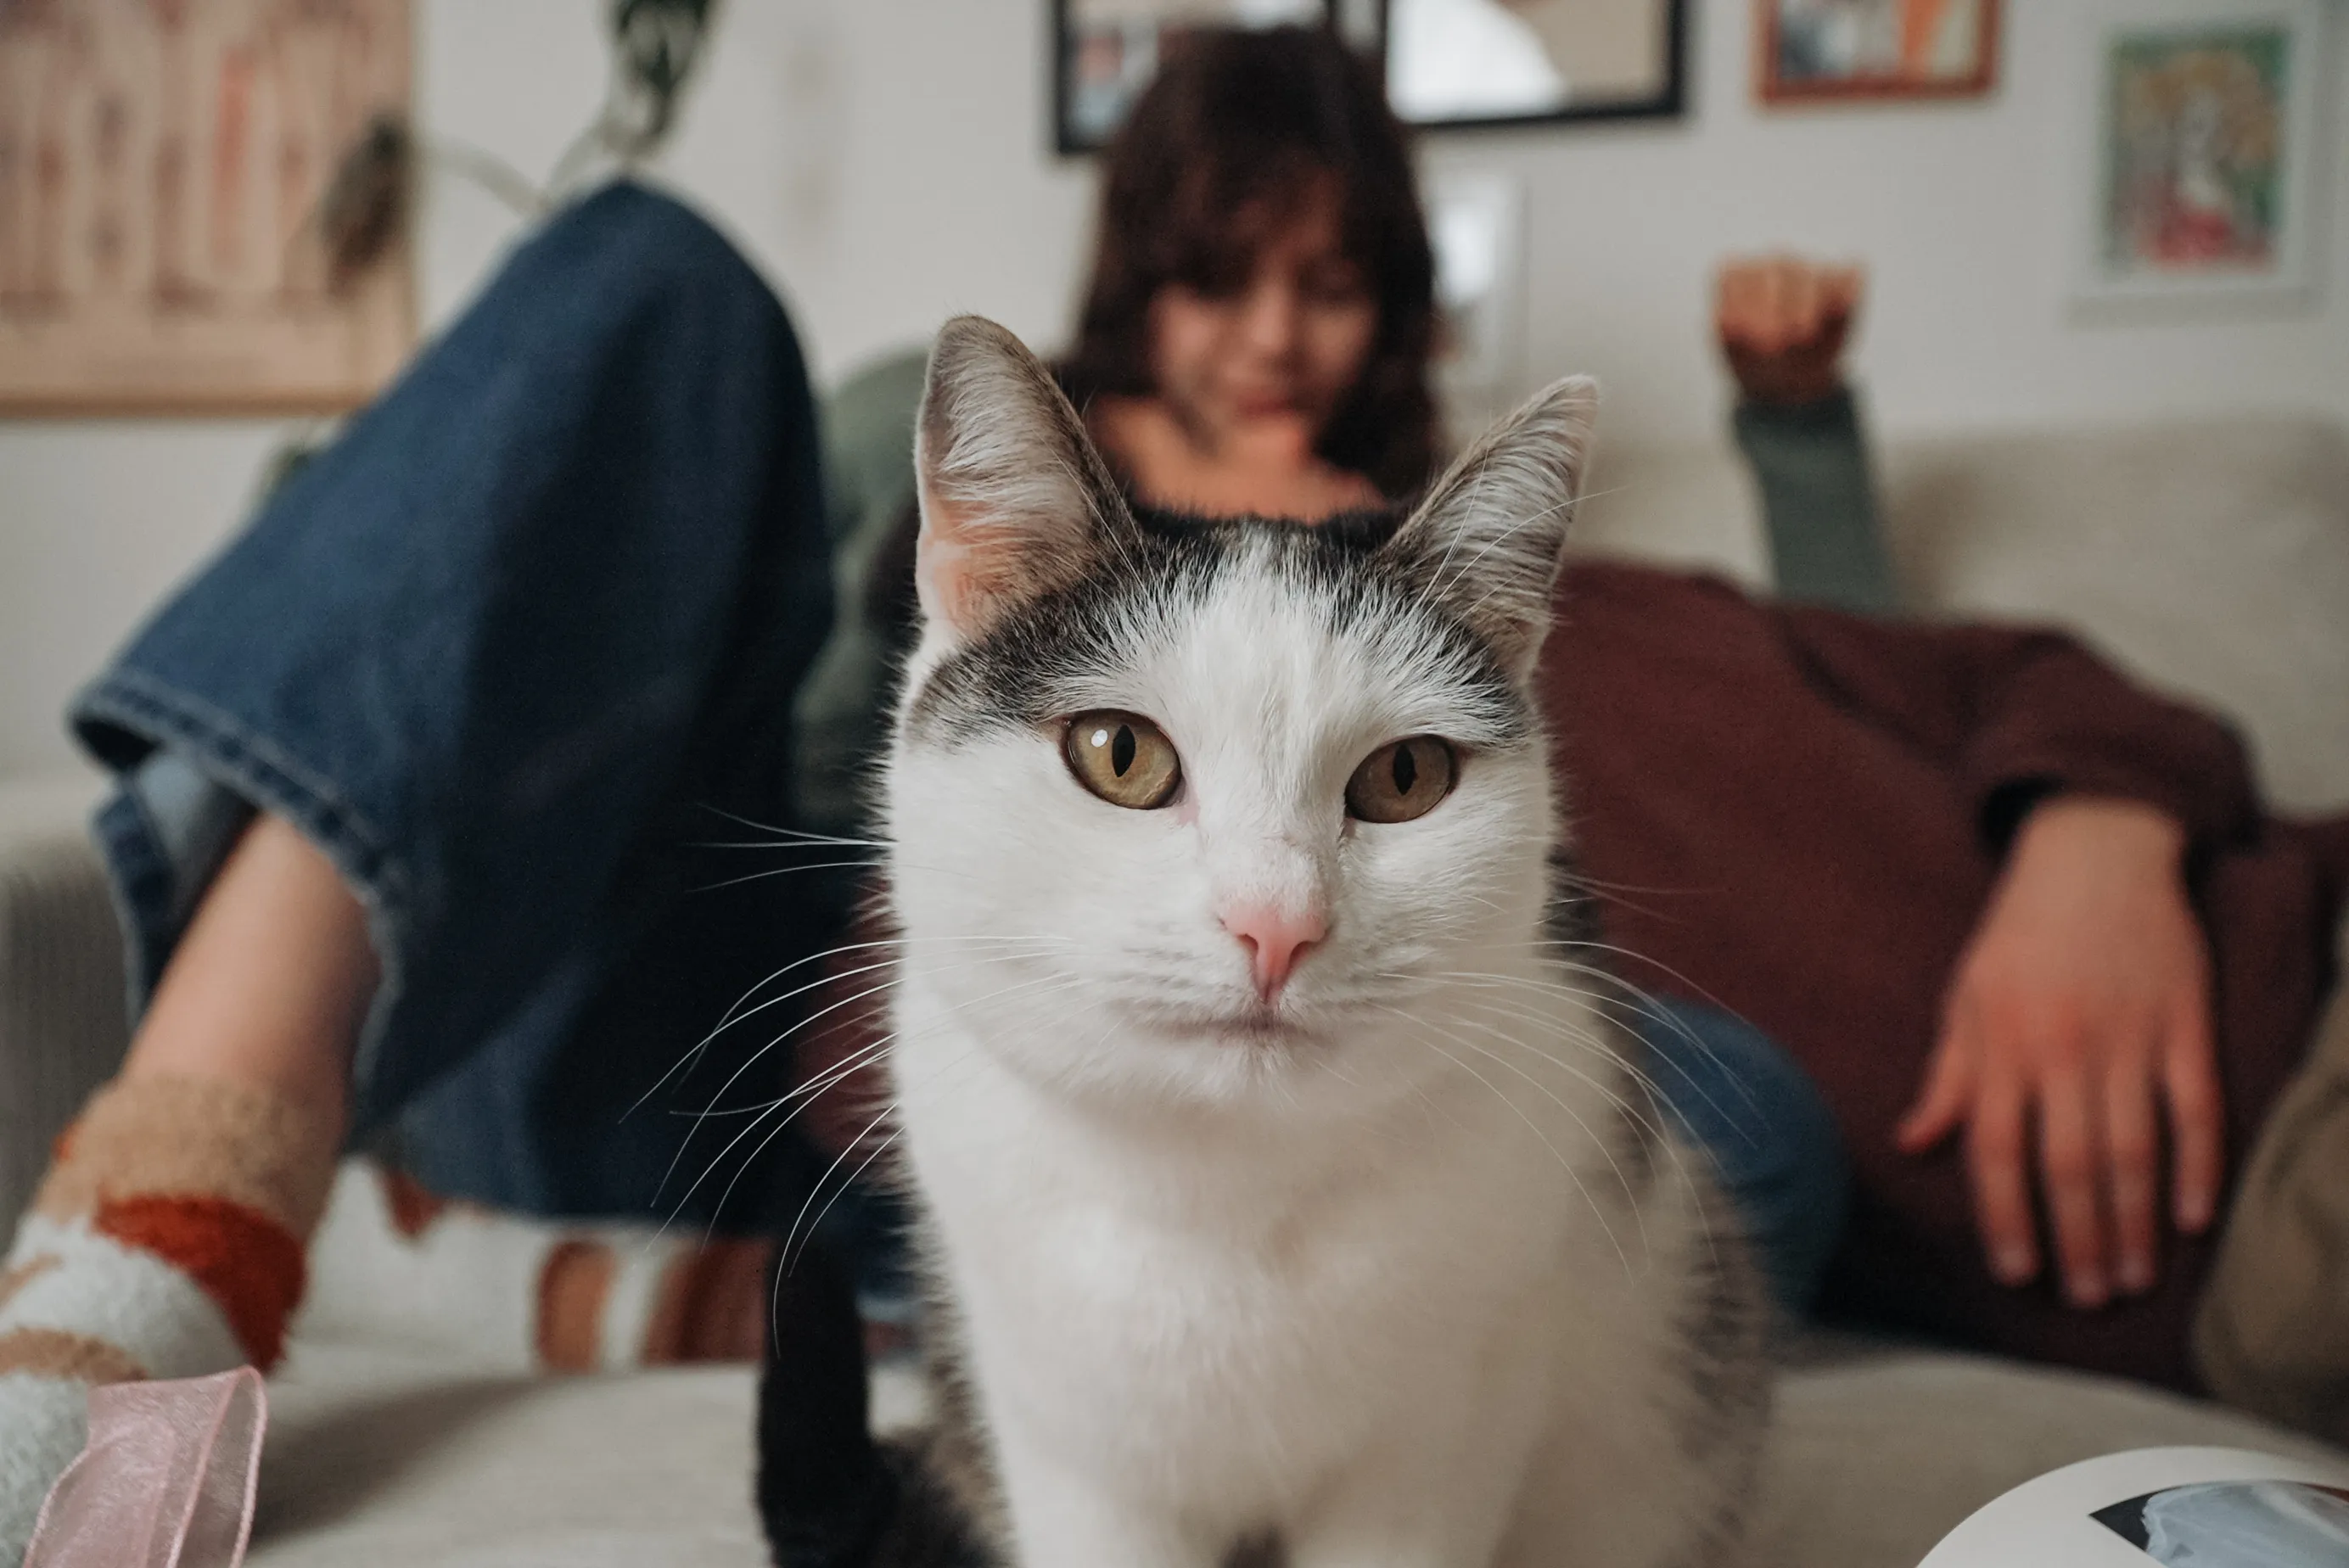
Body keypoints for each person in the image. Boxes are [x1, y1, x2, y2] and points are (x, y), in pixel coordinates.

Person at [1, 24, 2342, 1558]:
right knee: (642, 284)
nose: (1278, 331)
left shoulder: (1544, 596)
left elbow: (1947, 674)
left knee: (1719, 1126)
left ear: (1403, 320)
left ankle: (645, 1288)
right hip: (800, 967)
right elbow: (578, 616)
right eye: (1226, 274)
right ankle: (188, 1197)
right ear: (1141, 278)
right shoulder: (956, 461)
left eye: (1337, 283)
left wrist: (2089, 815)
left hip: (1406, 1097)